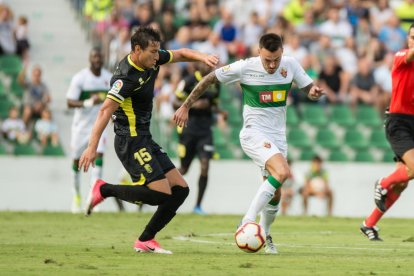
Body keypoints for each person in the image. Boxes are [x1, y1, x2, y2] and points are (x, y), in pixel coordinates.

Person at [174, 33, 323, 254]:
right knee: (282, 171)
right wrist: (186, 105)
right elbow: (209, 79)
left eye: (276, 59)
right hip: (254, 133)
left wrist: (312, 92)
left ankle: (265, 233)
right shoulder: (245, 67)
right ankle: (246, 220)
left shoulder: (290, 64)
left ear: (282, 52)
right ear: (258, 52)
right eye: (267, 60)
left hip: (278, 136)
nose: (272, 65)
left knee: (276, 192)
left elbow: (308, 87)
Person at [78, 26, 219, 254]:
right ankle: (105, 190)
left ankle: (145, 239)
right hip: (129, 140)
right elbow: (105, 111)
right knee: (161, 194)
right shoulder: (125, 77)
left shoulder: (151, 60)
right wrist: (91, 147)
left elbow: (181, 53)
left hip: (144, 137)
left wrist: (203, 56)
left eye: (158, 52)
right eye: (153, 52)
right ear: (137, 49)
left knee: (181, 190)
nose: (157, 57)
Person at [361, 24, 414, 241]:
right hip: (399, 123)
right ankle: (382, 183)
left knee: (403, 181)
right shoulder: (401, 56)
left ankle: (369, 224)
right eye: (413, 36)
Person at [173, 63, 223, 215]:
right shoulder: (188, 81)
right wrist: (194, 105)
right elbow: (175, 102)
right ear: (198, 66)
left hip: (205, 132)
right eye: (207, 65)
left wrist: (220, 112)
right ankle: (159, 189)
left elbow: (213, 105)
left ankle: (198, 206)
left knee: (205, 165)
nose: (209, 68)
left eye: (212, 66)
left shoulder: (215, 84)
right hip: (188, 130)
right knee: (184, 169)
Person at [66, 47, 112, 213]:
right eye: (94, 57)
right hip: (81, 127)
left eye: (99, 57)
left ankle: (93, 197)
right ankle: (76, 195)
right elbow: (69, 102)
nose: (97, 60)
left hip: (99, 125)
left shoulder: (109, 78)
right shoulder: (81, 78)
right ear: (90, 59)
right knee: (76, 161)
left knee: (98, 157)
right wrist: (87, 103)